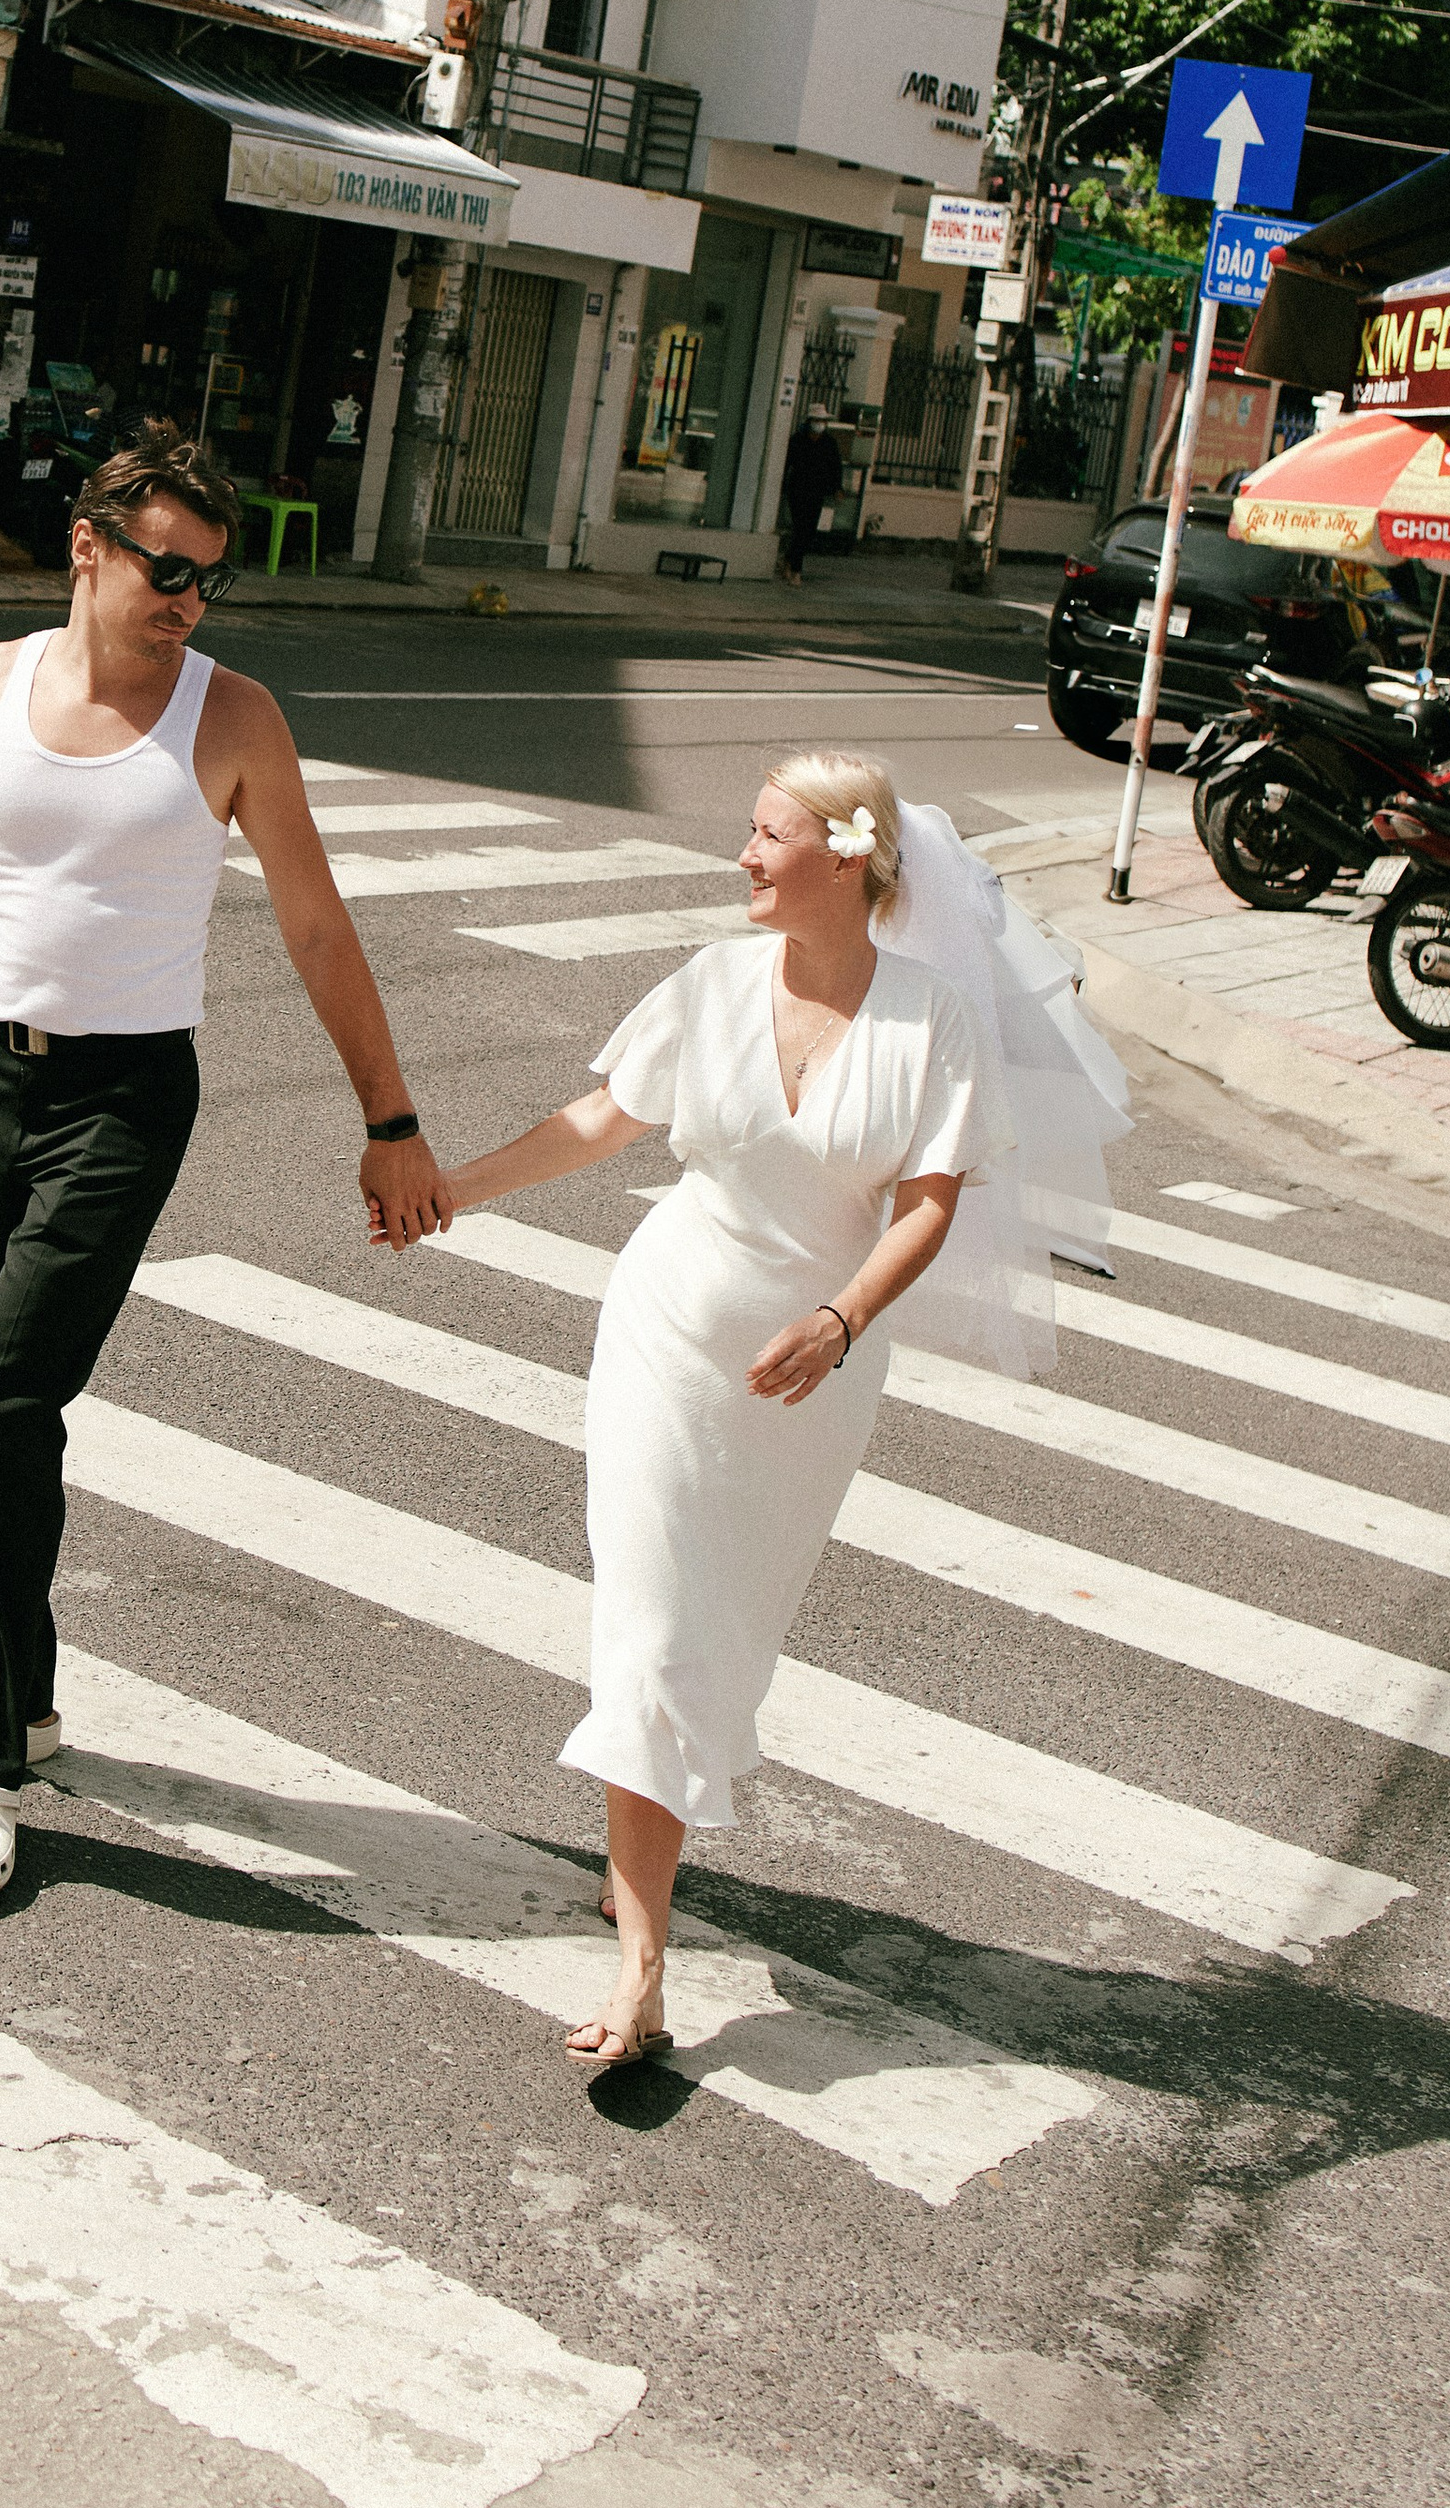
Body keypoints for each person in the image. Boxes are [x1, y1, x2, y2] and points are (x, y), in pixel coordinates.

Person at [0, 428, 451, 1900]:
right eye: (163, 567)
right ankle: (21, 1697)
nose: (187, 597)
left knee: (0, 1409)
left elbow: (318, 925)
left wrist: (390, 1123)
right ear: (88, 548)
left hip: (124, 1102)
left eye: (208, 578)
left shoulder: (231, 719)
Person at [429, 751, 1012, 2073]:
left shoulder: (934, 1024)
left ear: (849, 854)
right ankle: (643, 1964)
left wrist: (842, 1318)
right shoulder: (707, 985)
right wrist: (460, 1189)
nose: (743, 857)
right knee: (655, 1633)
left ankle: (641, 1838)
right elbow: (599, 1120)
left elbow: (928, 1204)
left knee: (722, 1641)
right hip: (667, 1340)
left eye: (768, 835)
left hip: (810, 1377)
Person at [776, 407, 845, 583]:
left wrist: (837, 488)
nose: (819, 424)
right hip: (798, 489)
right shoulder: (798, 440)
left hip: (817, 491)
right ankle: (796, 570)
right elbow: (787, 462)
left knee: (809, 530)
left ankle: (788, 559)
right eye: (816, 420)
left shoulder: (829, 443)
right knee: (800, 527)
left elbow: (835, 467)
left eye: (822, 421)